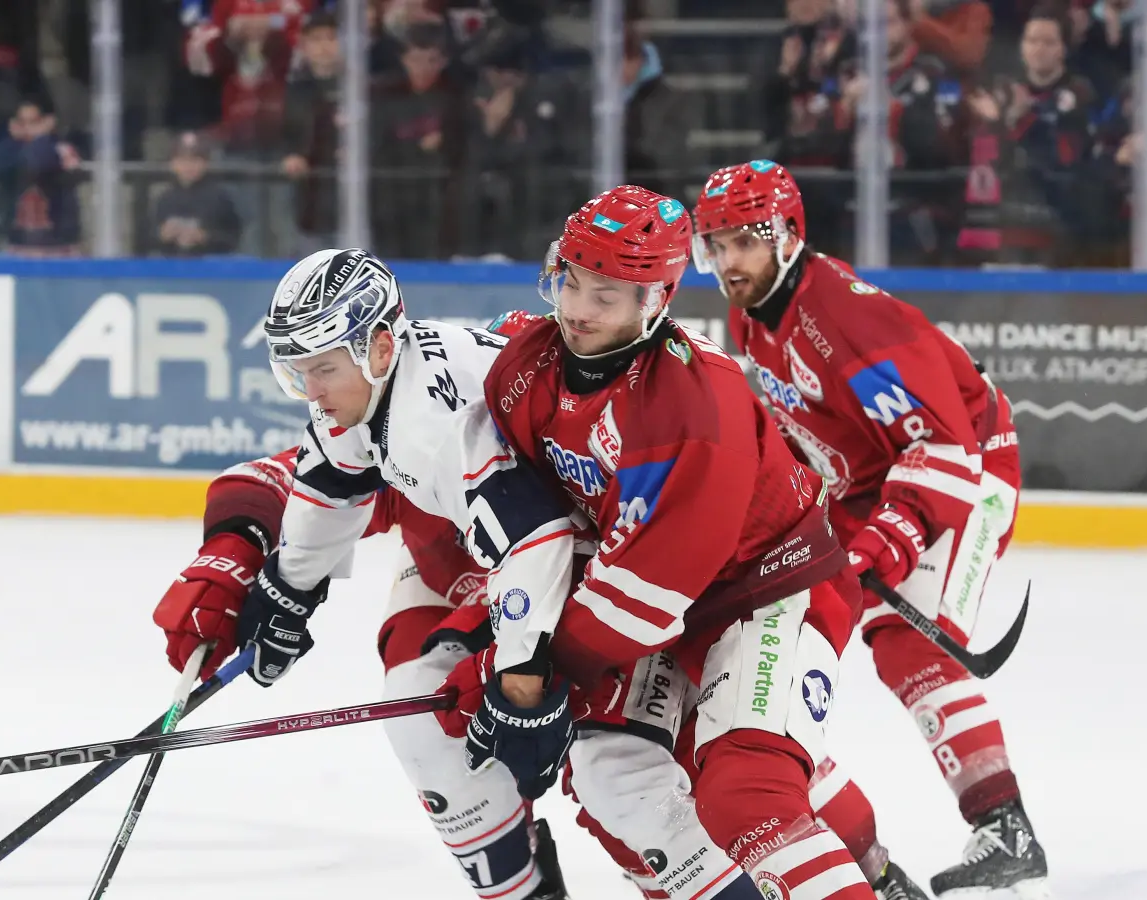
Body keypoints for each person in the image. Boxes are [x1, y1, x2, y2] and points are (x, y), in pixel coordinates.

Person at [155, 252, 759, 900]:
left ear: (380, 348)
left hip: (601, 560)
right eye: (298, 372)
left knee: (616, 773)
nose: (312, 391)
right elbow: (318, 482)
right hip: (481, 554)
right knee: (420, 713)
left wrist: (522, 678)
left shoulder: (437, 423)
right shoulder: (361, 404)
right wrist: (281, 589)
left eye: (322, 369)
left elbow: (538, 539)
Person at [444, 184, 880, 900]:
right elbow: (537, 526)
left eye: (606, 296)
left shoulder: (694, 405)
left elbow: (646, 593)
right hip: (655, 605)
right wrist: (502, 639)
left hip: (767, 591)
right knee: (618, 780)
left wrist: (528, 674)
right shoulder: (526, 367)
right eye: (571, 282)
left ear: (655, 299)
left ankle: (873, 876)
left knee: (747, 792)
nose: (578, 310)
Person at [693, 159, 1048, 900]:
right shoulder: (754, 312)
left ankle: (1005, 825)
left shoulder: (843, 317)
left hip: (971, 464)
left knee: (909, 642)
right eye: (716, 244)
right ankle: (865, 860)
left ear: (790, 235)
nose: (728, 263)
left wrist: (881, 542)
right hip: (873, 483)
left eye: (744, 243)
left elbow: (943, 449)